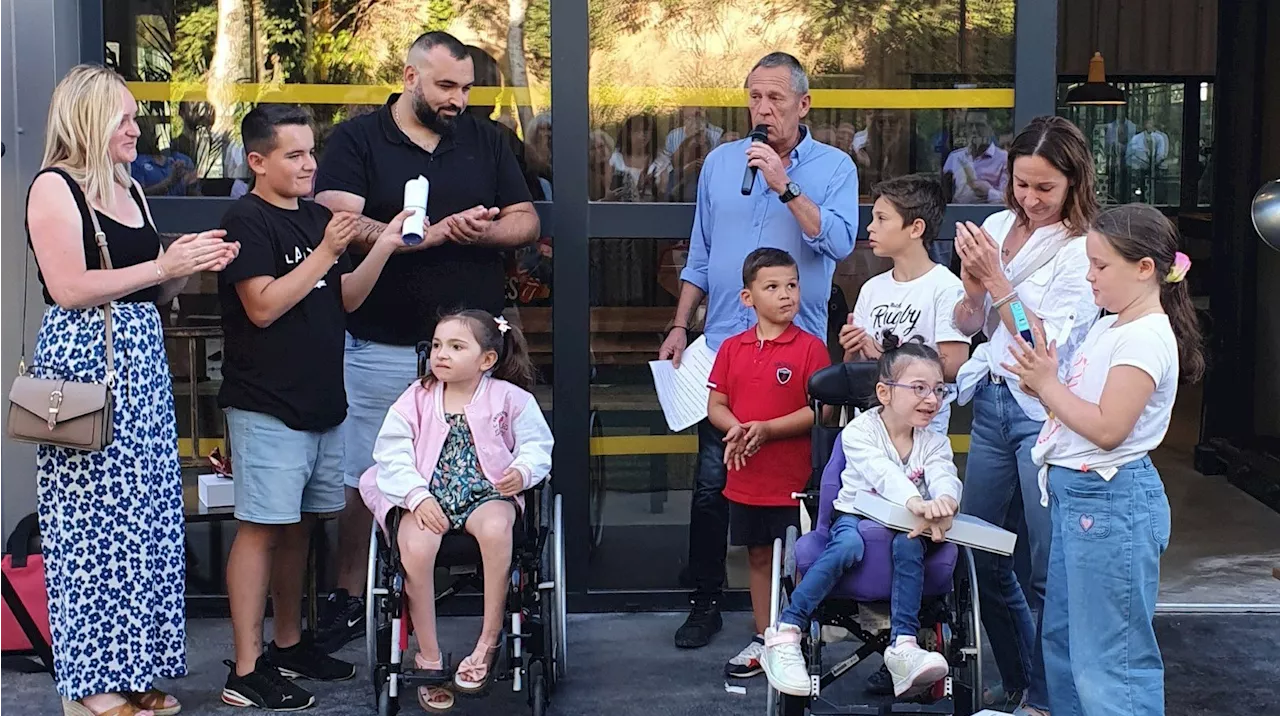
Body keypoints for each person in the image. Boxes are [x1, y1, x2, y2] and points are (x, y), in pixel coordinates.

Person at [312, 29, 539, 653]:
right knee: (372, 474)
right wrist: (424, 233)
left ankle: (483, 582)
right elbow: (337, 222)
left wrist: (478, 231)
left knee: (486, 457)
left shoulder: (486, 140)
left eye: (465, 87)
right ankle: (350, 595)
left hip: (475, 355)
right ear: (409, 77)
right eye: (445, 86)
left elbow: (526, 220)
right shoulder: (360, 138)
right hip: (384, 341)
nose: (458, 99)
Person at [24, 64, 239, 716]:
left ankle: (137, 669)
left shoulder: (129, 189)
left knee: (145, 523)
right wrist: (162, 264)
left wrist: (185, 265)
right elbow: (69, 288)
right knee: (88, 531)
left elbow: (146, 288)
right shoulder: (54, 188)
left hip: (141, 364)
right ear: (90, 120)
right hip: (82, 366)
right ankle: (92, 688)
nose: (136, 128)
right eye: (125, 117)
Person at [658, 51, 859, 650]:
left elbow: (840, 242)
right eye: (754, 98)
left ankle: (795, 609)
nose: (763, 109)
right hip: (724, 345)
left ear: (804, 104)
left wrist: (784, 183)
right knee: (711, 480)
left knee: (795, 482)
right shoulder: (720, 164)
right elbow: (700, 252)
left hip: (797, 350)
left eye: (774, 98)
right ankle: (705, 601)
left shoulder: (835, 167)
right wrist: (678, 323)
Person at [216, 105, 411, 710]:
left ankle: (289, 643)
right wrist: (328, 250)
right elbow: (264, 307)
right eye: (294, 155)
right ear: (258, 161)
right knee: (261, 528)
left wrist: (385, 243)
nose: (309, 165)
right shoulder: (246, 221)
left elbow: (343, 299)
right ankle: (246, 670)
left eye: (310, 152)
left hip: (322, 403)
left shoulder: (314, 219)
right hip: (267, 405)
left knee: (301, 528)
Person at [1004, 204, 1202, 716]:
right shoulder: (1113, 324)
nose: (1089, 276)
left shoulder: (1144, 336)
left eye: (1100, 266)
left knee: (1109, 657)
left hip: (1109, 499)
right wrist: (1046, 386)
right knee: (1070, 642)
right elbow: (1081, 414)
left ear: (1145, 269)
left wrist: (1048, 384)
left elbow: (1110, 429)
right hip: (1086, 496)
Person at [949, 115, 1100, 716]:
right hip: (991, 398)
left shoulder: (1082, 250)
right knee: (978, 546)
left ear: (1073, 183)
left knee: (1046, 564)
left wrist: (998, 280)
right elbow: (966, 325)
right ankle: (1018, 679)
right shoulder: (993, 225)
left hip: (1045, 411)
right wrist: (972, 289)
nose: (1030, 200)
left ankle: (1046, 699)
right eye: (1021, 184)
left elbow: (1044, 347)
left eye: (1045, 189)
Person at [363, 309, 553, 711]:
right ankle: (428, 655)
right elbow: (392, 452)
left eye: (455, 346)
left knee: (499, 528)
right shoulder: (416, 397)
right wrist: (416, 495)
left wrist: (522, 470)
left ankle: (488, 640)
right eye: (436, 345)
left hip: (488, 492)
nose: (441, 354)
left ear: (487, 359)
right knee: (415, 545)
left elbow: (537, 445)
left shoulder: (510, 398)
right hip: (427, 494)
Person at [762, 337, 961, 699]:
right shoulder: (859, 432)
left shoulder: (934, 441)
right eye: (919, 388)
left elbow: (944, 472)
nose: (932, 399)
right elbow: (882, 472)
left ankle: (903, 645)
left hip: (905, 526)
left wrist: (947, 501)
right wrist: (917, 501)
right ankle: (786, 631)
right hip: (856, 515)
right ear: (884, 393)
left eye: (938, 390)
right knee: (849, 544)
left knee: (910, 543)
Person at [705, 248, 831, 680]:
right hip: (747, 476)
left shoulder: (811, 348)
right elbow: (715, 404)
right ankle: (764, 636)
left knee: (799, 559)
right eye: (772, 287)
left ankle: (795, 634)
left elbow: (822, 412)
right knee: (758, 556)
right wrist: (739, 428)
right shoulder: (731, 348)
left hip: (793, 480)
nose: (785, 295)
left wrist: (768, 429)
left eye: (792, 285)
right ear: (747, 298)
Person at [837, 174, 969, 433]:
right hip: (870, 423)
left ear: (916, 228)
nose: (870, 227)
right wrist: (852, 348)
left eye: (882, 219)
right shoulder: (872, 287)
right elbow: (854, 366)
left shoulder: (946, 287)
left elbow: (953, 365)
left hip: (923, 428)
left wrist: (886, 358)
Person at [942, 111, 1008, 205]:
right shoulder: (954, 157)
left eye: (979, 125)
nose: (974, 130)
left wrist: (989, 193)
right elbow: (945, 195)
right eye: (970, 125)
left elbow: (1010, 200)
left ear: (990, 128)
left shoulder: (1004, 158)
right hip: (957, 214)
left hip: (991, 215)